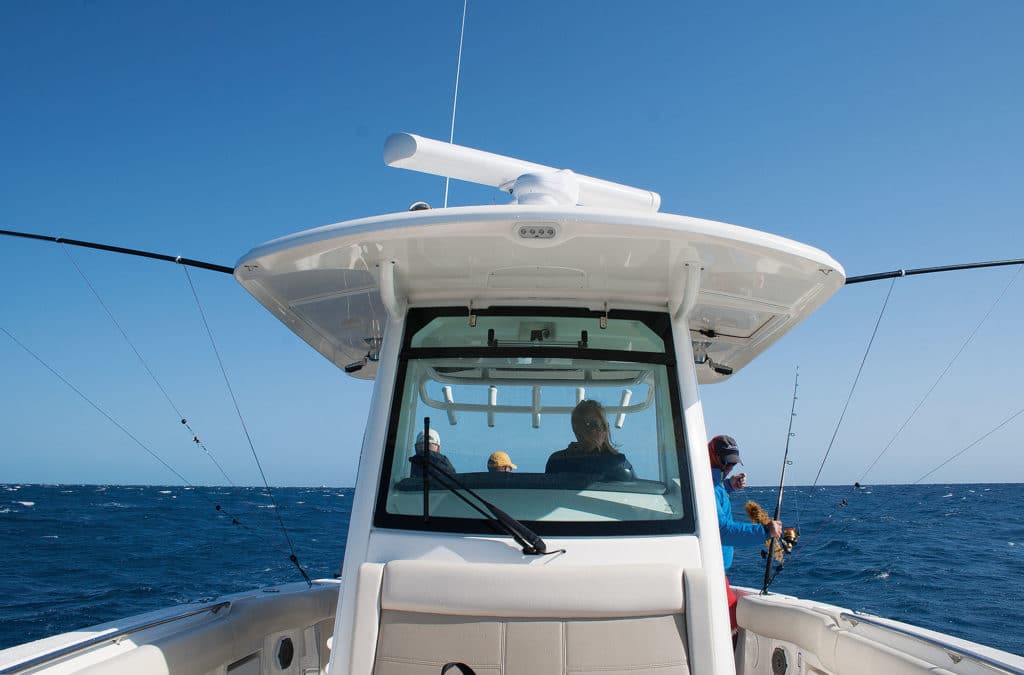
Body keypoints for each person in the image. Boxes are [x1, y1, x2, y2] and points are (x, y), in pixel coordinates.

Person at [708, 434, 782, 635]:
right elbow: (722, 531)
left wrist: (729, 486)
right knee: (732, 625)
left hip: (716, 573)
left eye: (734, 464)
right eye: (728, 463)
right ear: (716, 458)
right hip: (710, 575)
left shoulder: (712, 483)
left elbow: (711, 494)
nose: (731, 467)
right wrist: (765, 530)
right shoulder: (708, 486)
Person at [545, 400, 634, 480]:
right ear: (578, 429)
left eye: (603, 425)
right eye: (593, 425)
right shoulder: (558, 461)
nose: (600, 429)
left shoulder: (618, 462)